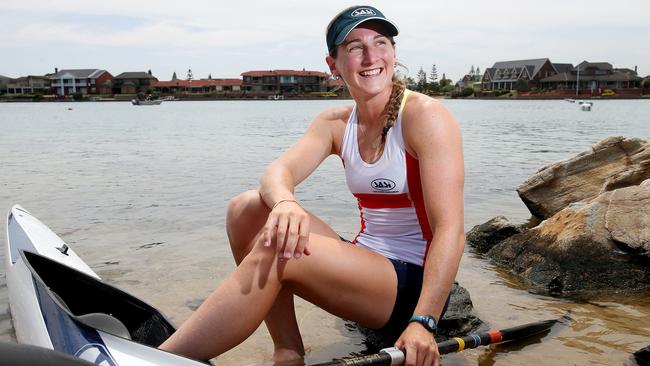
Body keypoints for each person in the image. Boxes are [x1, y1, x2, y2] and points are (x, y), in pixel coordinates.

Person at [159, 5, 465, 366]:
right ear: (333, 64)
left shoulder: (425, 117)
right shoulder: (335, 122)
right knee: (246, 209)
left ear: (394, 53)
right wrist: (285, 203)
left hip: (413, 283)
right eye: (354, 47)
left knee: (279, 248)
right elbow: (275, 174)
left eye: (380, 42)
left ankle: (159, 360)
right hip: (366, 261)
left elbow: (451, 230)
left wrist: (423, 321)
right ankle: (288, 352)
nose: (371, 56)